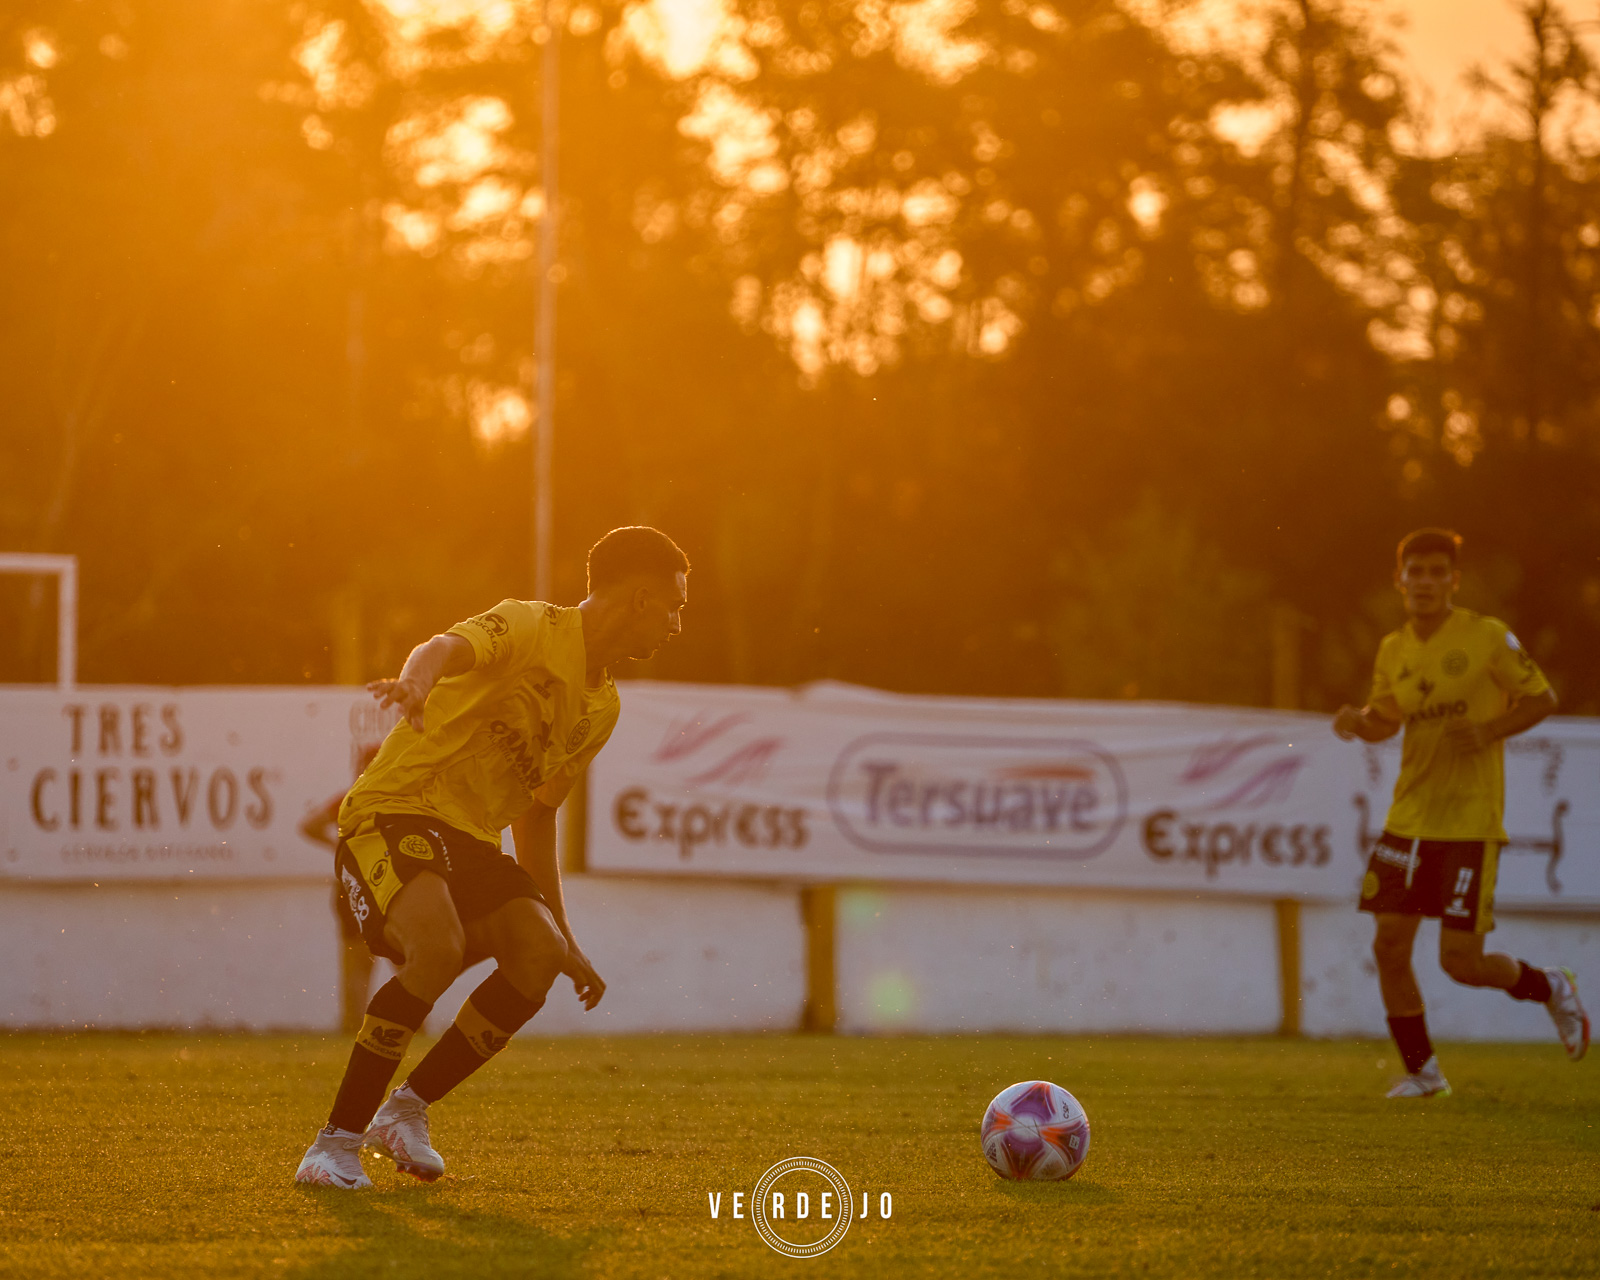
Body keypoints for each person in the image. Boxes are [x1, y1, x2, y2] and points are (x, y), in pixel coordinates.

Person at [295, 526, 689, 1187]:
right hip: (397, 808)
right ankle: (332, 1146)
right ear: (642, 598)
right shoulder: (533, 626)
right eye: (675, 606)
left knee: (538, 955)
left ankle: (405, 1111)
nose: (678, 624)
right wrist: (415, 683)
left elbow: (537, 816)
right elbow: (442, 648)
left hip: (472, 840)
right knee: (437, 948)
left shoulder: (602, 707)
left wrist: (567, 941)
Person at [1333, 528, 1587, 1098]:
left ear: (1454, 580)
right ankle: (1423, 1073)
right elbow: (1385, 720)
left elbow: (1543, 698)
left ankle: (1550, 986)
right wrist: (1358, 723)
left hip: (1469, 823)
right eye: (1415, 572)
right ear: (1400, 581)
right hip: (1407, 819)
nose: (1424, 582)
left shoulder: (1488, 636)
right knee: (1388, 946)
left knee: (1461, 963)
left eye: (1435, 572)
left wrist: (1490, 730)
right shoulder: (1393, 649)